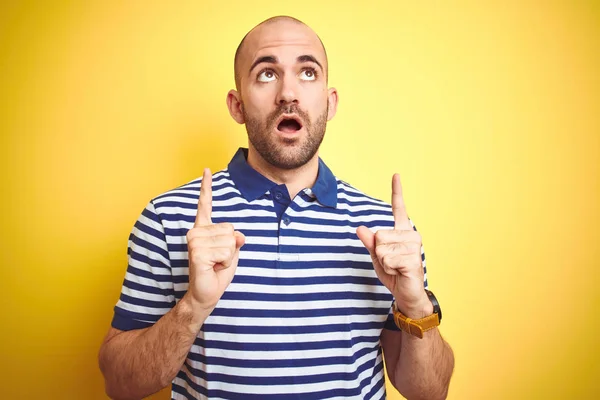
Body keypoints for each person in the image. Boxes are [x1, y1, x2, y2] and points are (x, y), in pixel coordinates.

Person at [98, 15, 455, 400]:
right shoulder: (168, 218)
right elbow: (120, 384)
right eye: (266, 74)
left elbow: (429, 393)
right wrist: (193, 306)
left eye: (307, 72)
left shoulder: (386, 230)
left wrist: (415, 304)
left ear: (329, 102)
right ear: (237, 105)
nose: (288, 93)